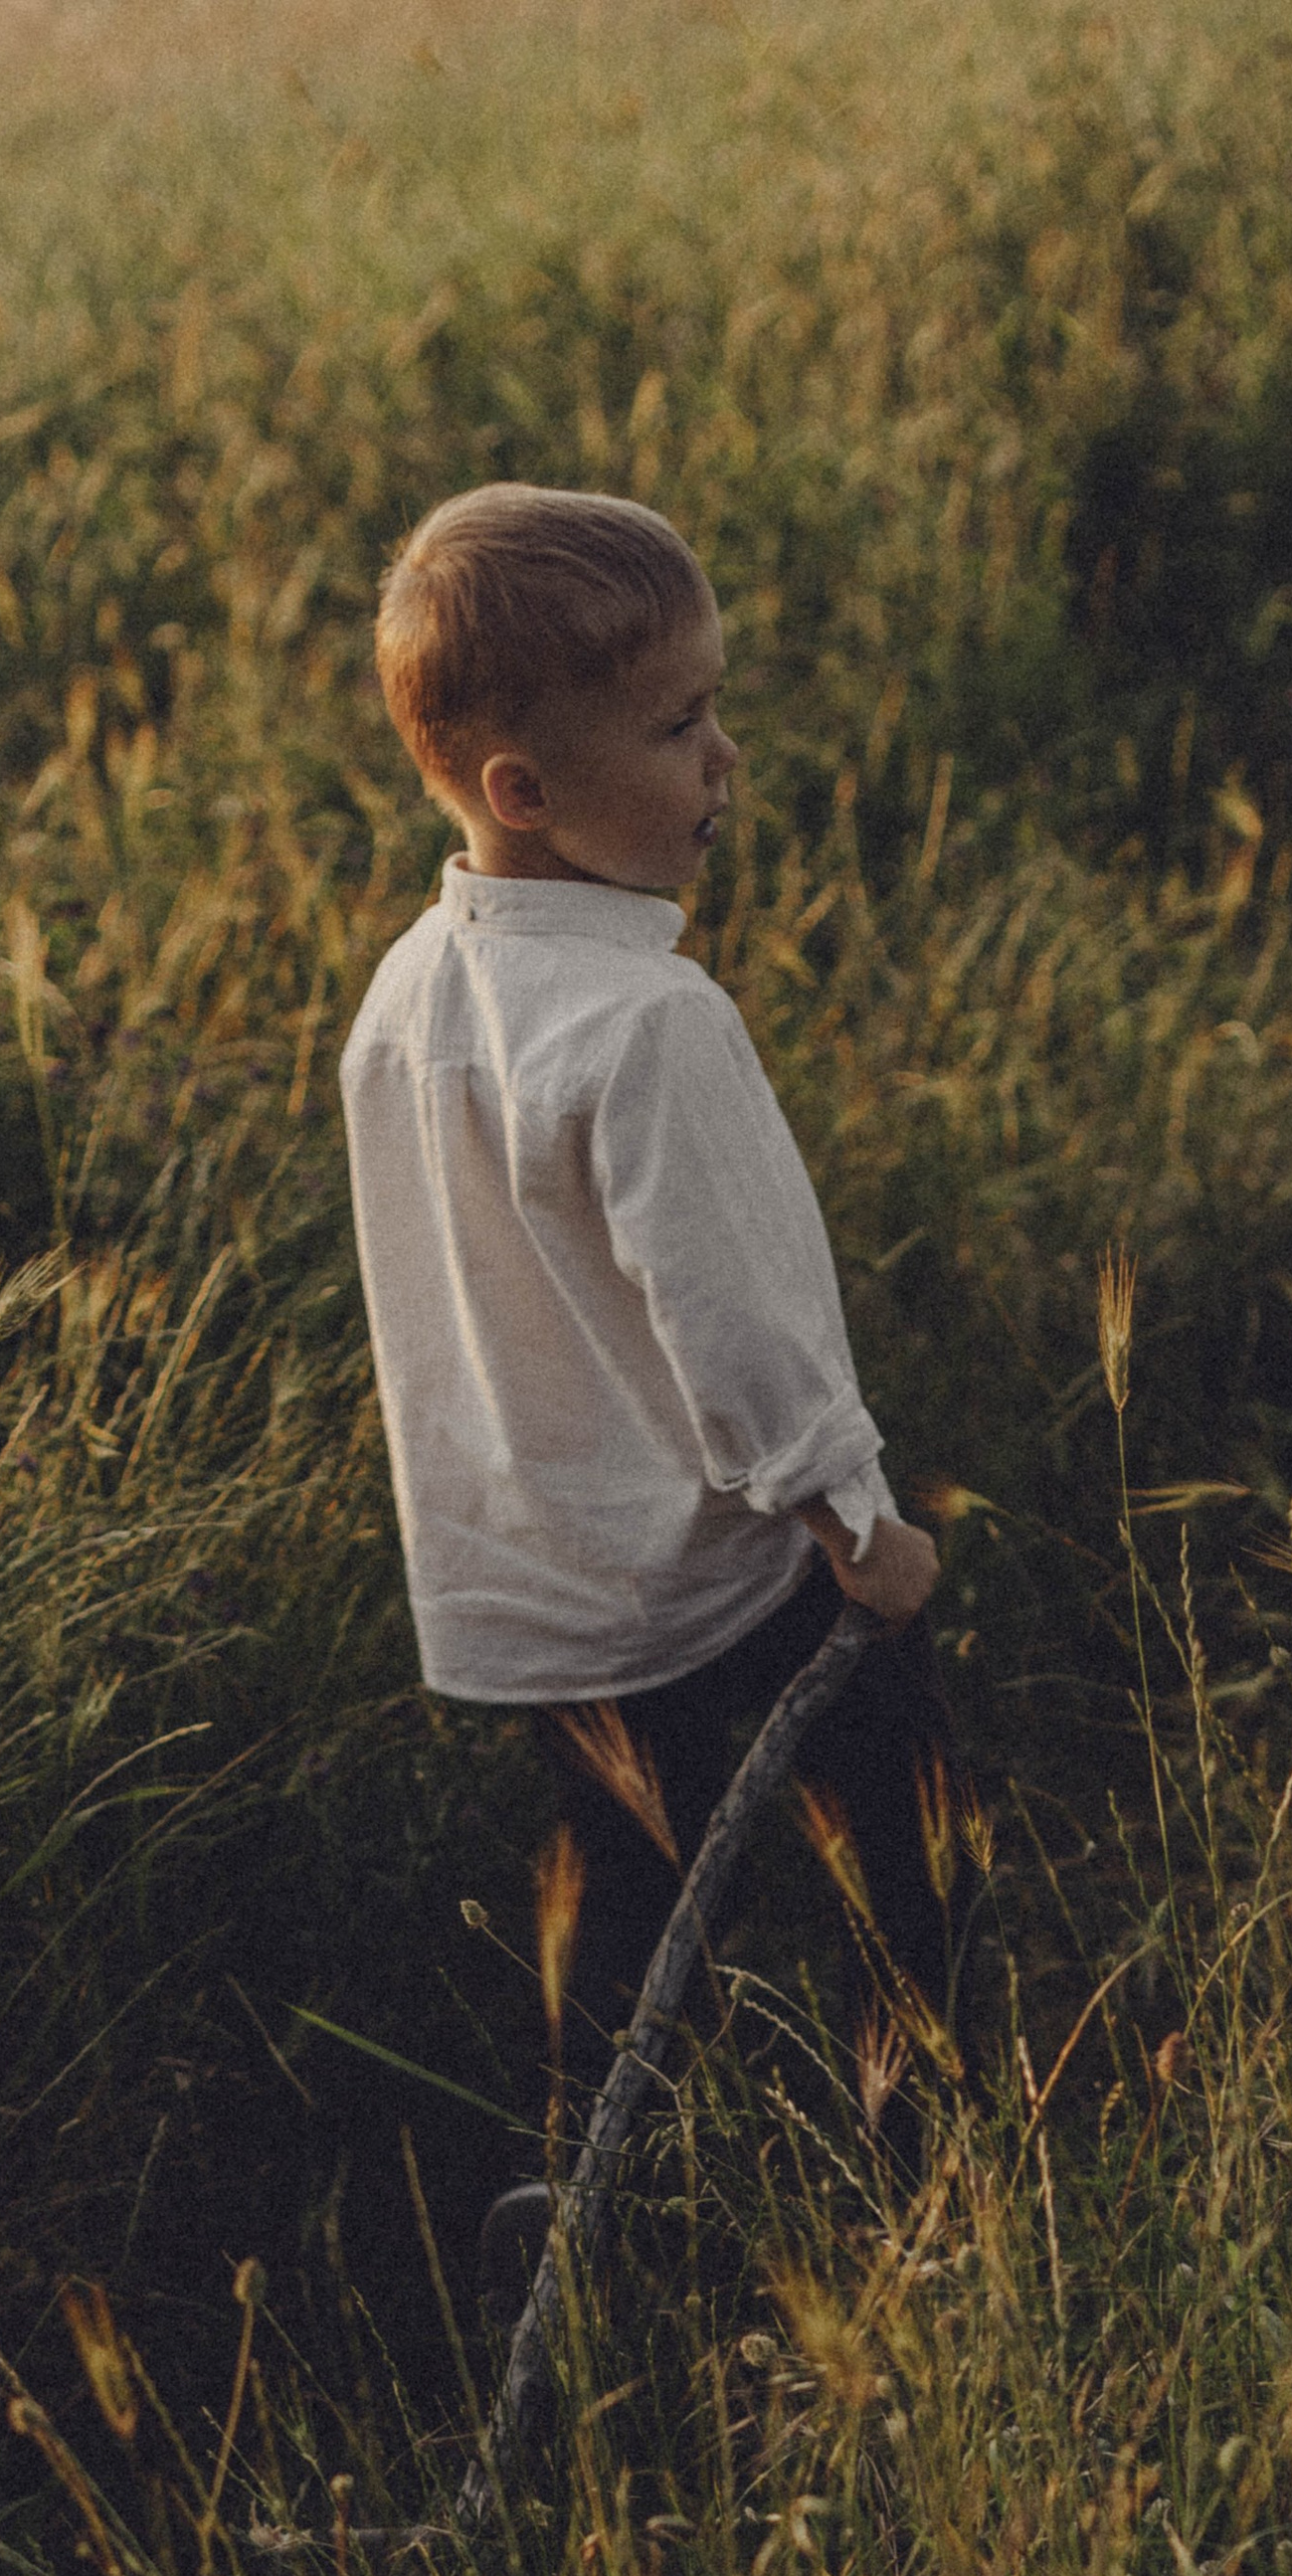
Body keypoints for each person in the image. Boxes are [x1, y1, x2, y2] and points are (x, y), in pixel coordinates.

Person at [339, 481, 963, 2272]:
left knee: (621, 1904)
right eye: (680, 726)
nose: (725, 761)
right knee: (903, 1837)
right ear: (523, 791)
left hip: (543, 1591)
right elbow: (738, 1324)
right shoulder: (647, 1025)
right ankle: (925, 2158)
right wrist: (853, 1517)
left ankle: (599, 2198)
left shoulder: (405, 996)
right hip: (724, 1576)